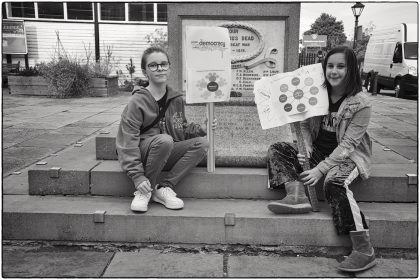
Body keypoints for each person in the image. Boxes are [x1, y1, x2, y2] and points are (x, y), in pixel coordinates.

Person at [266, 46, 375, 272]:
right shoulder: (316, 91)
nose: (334, 71)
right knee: (278, 149)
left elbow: (348, 145)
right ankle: (296, 195)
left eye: (341, 66)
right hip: (318, 150)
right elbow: (305, 124)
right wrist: (304, 146)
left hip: (349, 157)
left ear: (352, 68)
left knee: (334, 183)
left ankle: (364, 249)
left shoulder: (361, 102)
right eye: (330, 66)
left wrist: (320, 170)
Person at [116, 46, 217, 213]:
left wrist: (201, 129)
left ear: (169, 68)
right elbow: (127, 141)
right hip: (143, 152)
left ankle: (164, 188)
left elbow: (180, 127)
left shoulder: (176, 99)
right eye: (153, 65)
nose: (160, 68)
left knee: (202, 144)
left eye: (164, 64)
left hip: (166, 149)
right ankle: (144, 191)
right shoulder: (137, 101)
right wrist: (137, 176)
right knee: (165, 140)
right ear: (145, 71)